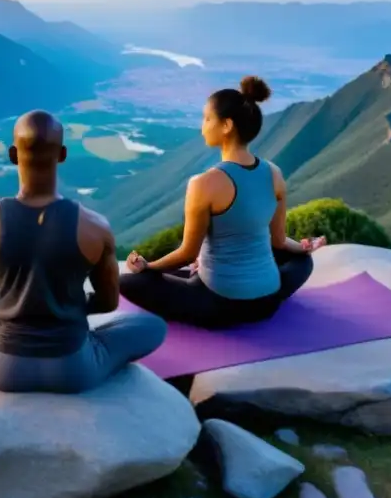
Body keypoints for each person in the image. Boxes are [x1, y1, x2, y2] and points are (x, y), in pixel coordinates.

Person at [0, 110, 167, 394]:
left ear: (13, 154)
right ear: (63, 154)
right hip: (75, 368)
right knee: (152, 326)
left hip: (4, 369)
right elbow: (107, 303)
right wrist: (64, 308)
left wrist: (16, 308)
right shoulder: (95, 227)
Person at [120, 77, 324, 328]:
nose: (202, 126)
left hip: (221, 305)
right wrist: (304, 249)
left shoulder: (203, 183)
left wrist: (148, 267)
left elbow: (186, 254)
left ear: (226, 125)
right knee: (302, 261)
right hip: (269, 300)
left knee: (129, 281)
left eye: (207, 119)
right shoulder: (274, 174)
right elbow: (279, 241)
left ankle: (193, 280)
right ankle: (205, 275)